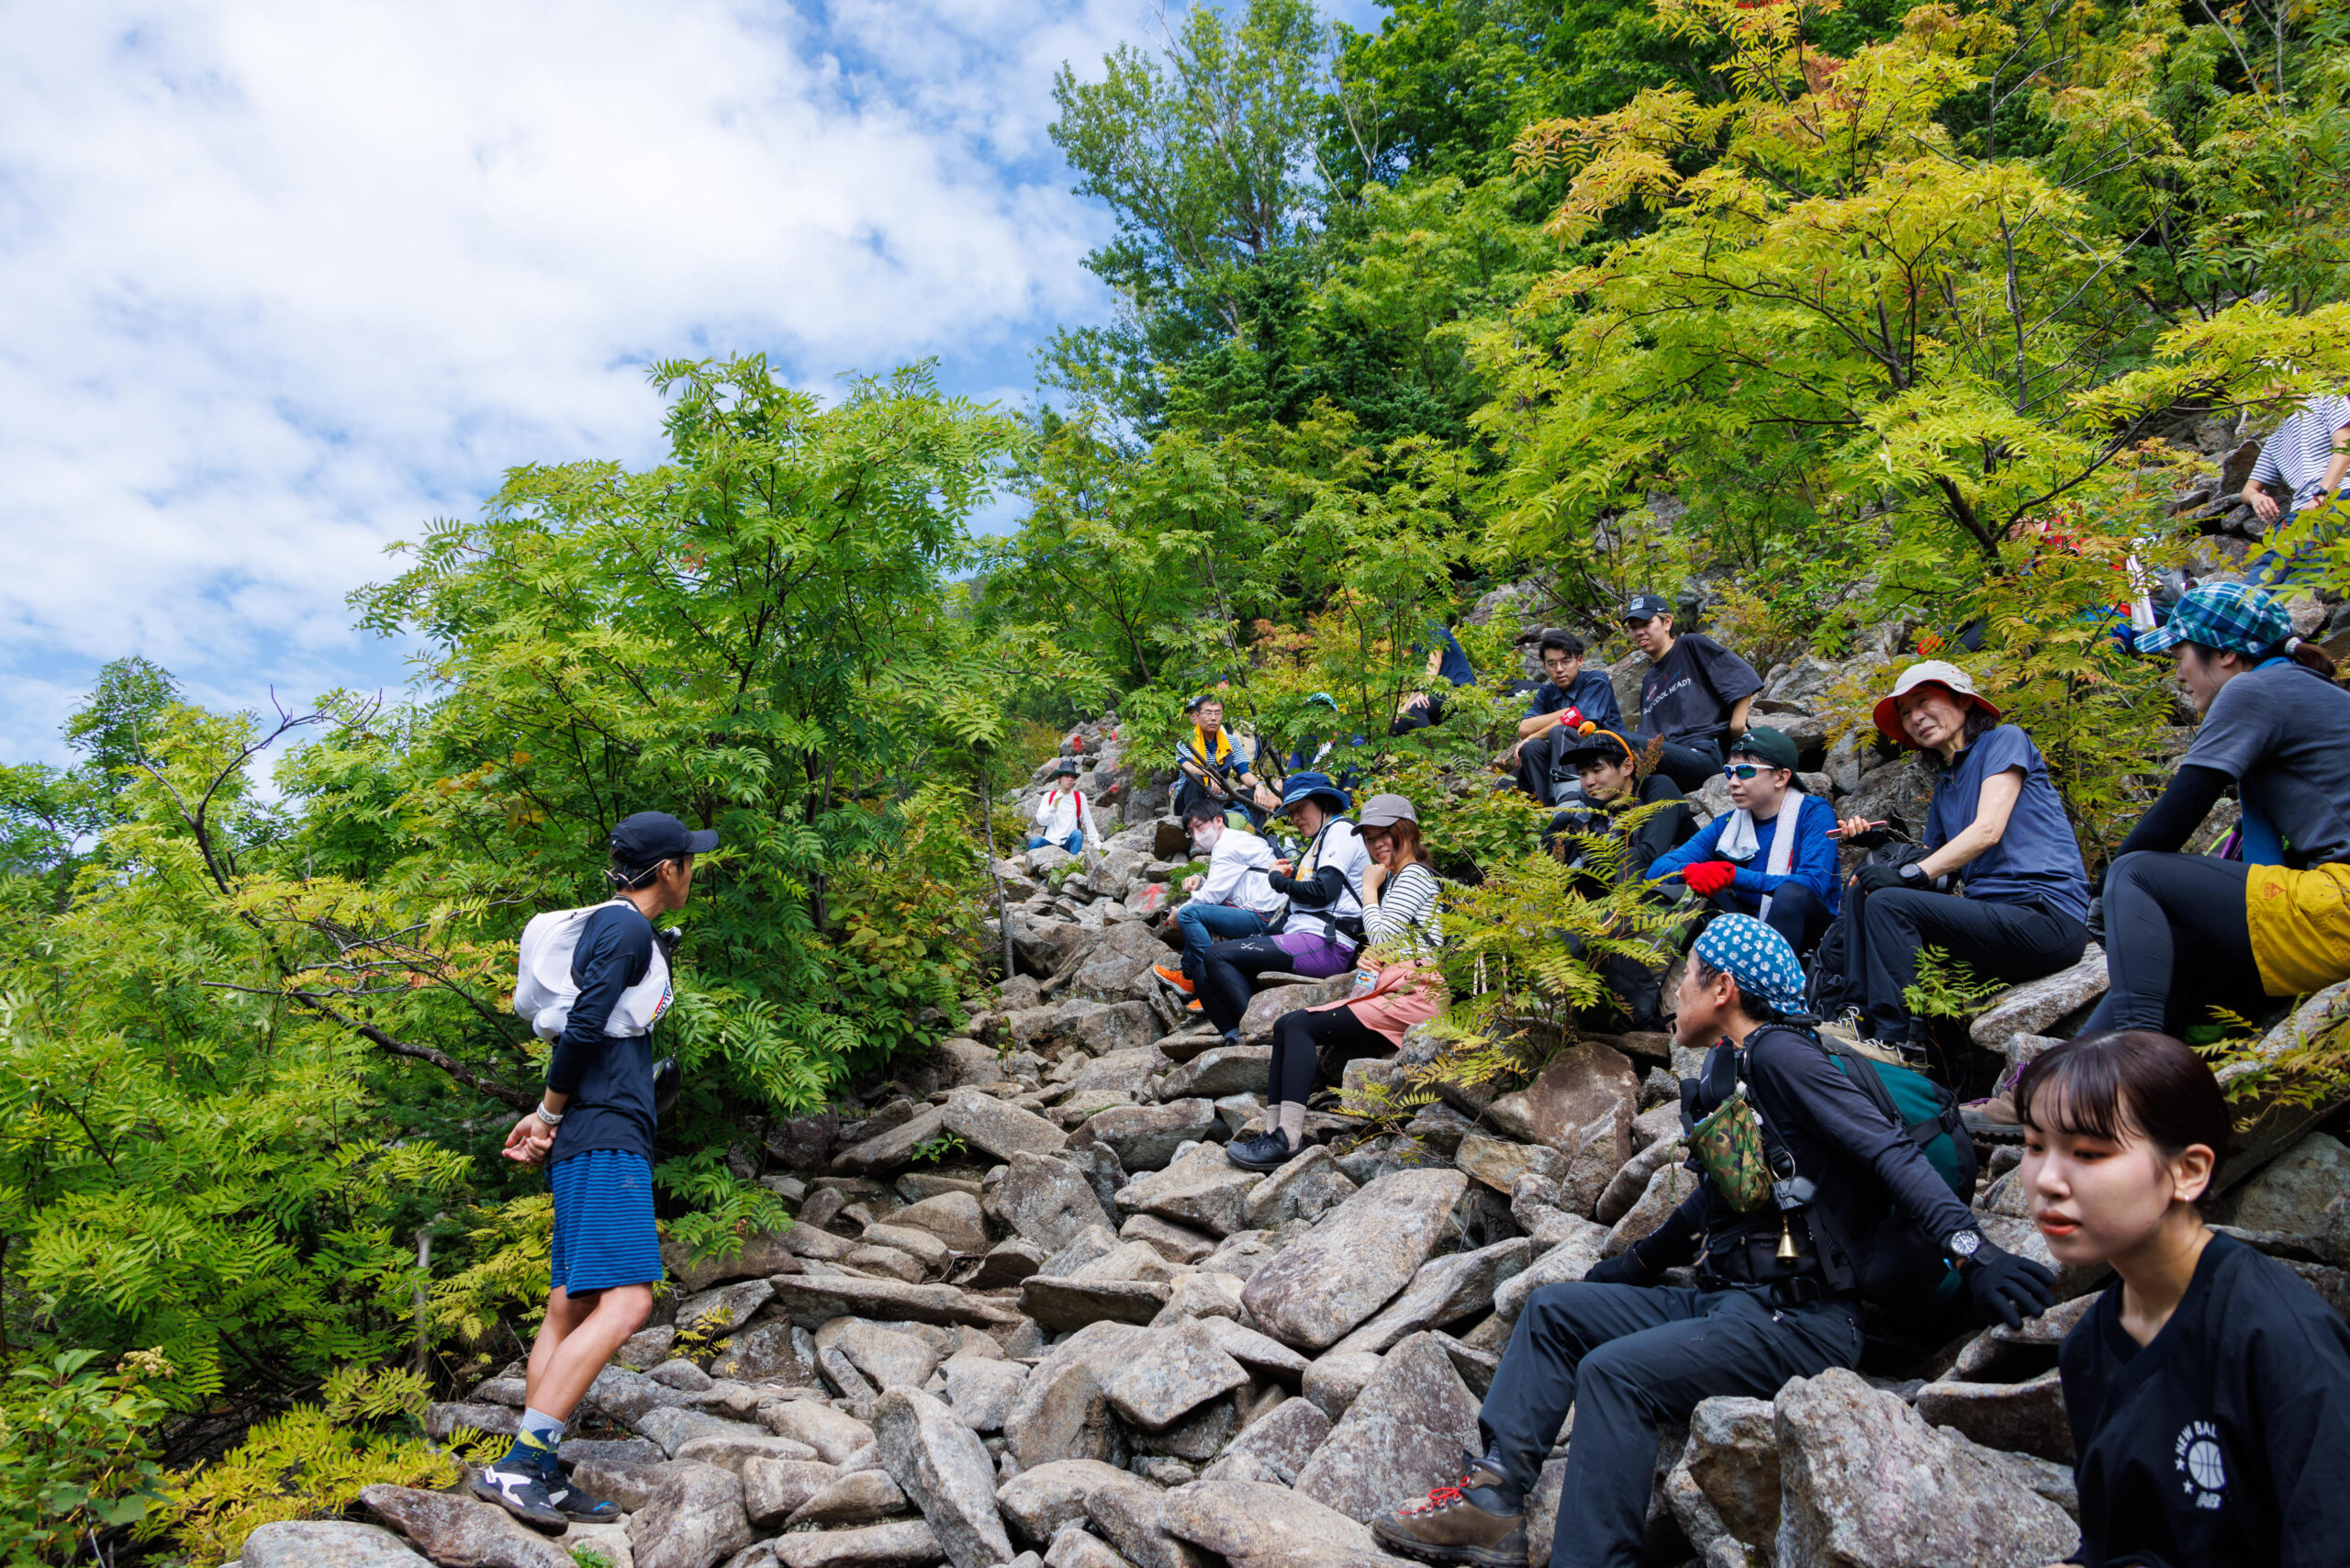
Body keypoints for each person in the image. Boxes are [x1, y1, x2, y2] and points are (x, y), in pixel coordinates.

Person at [1369, 915, 2053, 1568]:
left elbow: (1888, 1153)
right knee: (1555, 1313)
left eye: (1688, 976)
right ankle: (1491, 1502)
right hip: (1734, 1304)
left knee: (1616, 1375)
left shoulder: (1784, 1055)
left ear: (1722, 989)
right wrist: (1634, 1264)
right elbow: (1716, 1198)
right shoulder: (1741, 1069)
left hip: (1801, 1322)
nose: (1676, 995)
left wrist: (1974, 1253)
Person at [2018, 1030, 2350, 1566]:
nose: (2047, 1180)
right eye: (2034, 1146)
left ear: (2188, 1171)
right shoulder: (2089, 1346)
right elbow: (2114, 1542)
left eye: (2088, 1152)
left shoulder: (2278, 1337)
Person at [473, 810, 717, 1527]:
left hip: (597, 1123)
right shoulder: (627, 927)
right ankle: (520, 1464)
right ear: (668, 870)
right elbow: (584, 1027)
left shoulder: (616, 927)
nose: (692, 871)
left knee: (571, 1303)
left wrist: (560, 1110)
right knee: (629, 1301)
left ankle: (539, 1467)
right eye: (688, 861)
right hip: (603, 1133)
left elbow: (600, 1035)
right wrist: (547, 1115)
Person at [2078, 582, 2350, 1038]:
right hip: (2332, 904)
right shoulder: (2306, 691)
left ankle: (2128, 1063)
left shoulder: (2254, 689)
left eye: (2179, 656)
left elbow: (2183, 806)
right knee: (2182, 950)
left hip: (2340, 905)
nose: (2178, 674)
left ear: (2224, 654)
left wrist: (2105, 889)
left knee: (2136, 872)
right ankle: (2058, 1084)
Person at [1829, 660, 2091, 1056]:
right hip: (1995, 923)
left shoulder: (2005, 740)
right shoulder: (1946, 789)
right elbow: (1939, 872)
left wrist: (1909, 873)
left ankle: (1901, 1042)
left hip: (2045, 918)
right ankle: (1858, 1016)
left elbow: (1988, 830)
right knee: (1867, 889)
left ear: (1965, 700)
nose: (1915, 718)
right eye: (1905, 713)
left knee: (1889, 900)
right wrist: (1878, 851)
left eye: (1923, 702)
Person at [1230, 794, 1446, 1171]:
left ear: (1407, 831)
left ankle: (1286, 1140)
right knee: (1287, 1024)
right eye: (1370, 838)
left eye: (1386, 834)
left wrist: (1367, 887)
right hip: (1396, 988)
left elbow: (1380, 936)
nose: (1377, 844)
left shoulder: (1412, 875)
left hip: (1415, 994)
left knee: (1298, 1025)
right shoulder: (1397, 879)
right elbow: (1389, 942)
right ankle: (1273, 1133)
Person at [1195, 772, 1367, 1047]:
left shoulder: (1341, 831)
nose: (1296, 817)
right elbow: (1292, 911)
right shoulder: (1316, 842)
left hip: (1326, 942)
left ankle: (1258, 1036)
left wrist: (1277, 880)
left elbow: (1325, 890)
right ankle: (1234, 1036)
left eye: (1301, 809)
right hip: (1301, 937)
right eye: (1291, 812)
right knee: (1203, 971)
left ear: (1323, 804)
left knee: (1217, 956)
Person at [1645, 727, 1841, 959]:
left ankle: (1770, 984)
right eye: (1730, 772)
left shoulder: (1812, 812)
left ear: (1781, 777)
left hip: (1809, 930)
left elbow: (1813, 884)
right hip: (1748, 925)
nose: (1733, 782)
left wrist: (1731, 876)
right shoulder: (1728, 824)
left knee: (1790, 895)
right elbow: (1657, 870)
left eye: (1745, 772)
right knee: (1692, 891)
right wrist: (1691, 871)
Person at [1549, 728, 1697, 1031]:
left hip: (1685, 901)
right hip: (1629, 909)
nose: (1589, 782)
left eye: (1597, 770)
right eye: (1582, 774)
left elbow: (1649, 855)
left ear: (1627, 767)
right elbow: (1561, 878)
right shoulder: (1592, 816)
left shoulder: (1658, 788)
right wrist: (1556, 834)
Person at [1620, 593, 1762, 791]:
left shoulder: (1690, 645)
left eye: (1646, 624)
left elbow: (1739, 675)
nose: (1639, 632)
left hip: (1702, 754)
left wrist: (1737, 726)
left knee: (1621, 741)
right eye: (1634, 628)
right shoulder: (1649, 680)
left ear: (1667, 622)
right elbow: (1648, 737)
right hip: (1669, 761)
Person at [1153, 801, 1285, 1009]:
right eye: (1191, 831)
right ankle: (1188, 978)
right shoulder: (1236, 840)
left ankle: (1211, 983)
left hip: (1262, 917)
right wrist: (1201, 880)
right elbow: (1226, 888)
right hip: (1263, 911)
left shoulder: (1226, 845)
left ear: (1218, 821)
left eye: (1200, 826)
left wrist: (1179, 913)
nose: (1196, 835)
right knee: (1195, 912)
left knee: (1189, 914)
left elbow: (1212, 896)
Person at [2239, 394, 2350, 588]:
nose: (2257, 390)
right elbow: (2247, 490)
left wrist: (2322, 493)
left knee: (2305, 569)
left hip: (2341, 494)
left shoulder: (2328, 403)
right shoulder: (2275, 441)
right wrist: (2256, 497)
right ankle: (2242, 610)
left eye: (2263, 378)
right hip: (2301, 512)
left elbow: (2344, 448)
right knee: (2264, 574)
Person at [1511, 630, 1626, 804]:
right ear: (1544, 666)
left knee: (1560, 732)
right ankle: (1548, 808)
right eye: (1552, 664)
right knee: (1532, 747)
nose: (1559, 669)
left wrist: (1538, 733)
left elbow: (1579, 720)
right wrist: (1566, 712)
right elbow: (1525, 728)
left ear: (1579, 660)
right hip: (1569, 759)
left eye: (1565, 661)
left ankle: (1569, 801)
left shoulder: (1596, 680)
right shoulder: (1547, 692)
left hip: (1607, 753)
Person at [1255, 691, 1369, 812]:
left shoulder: (1350, 738)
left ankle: (1342, 809)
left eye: (1324, 710)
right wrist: (1275, 792)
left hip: (1338, 796)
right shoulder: (1304, 743)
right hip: (1306, 797)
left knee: (1352, 765)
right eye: (1313, 711)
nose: (1318, 715)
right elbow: (1291, 775)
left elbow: (1359, 761)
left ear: (1335, 715)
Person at [1172, 693, 1265, 828]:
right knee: (1196, 778)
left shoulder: (1231, 741)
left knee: (1256, 796)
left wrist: (1258, 785)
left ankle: (1258, 837)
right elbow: (1187, 768)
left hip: (1218, 799)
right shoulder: (1186, 740)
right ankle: (1196, 834)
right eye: (1208, 713)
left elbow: (1243, 771)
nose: (1213, 718)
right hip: (1189, 801)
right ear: (1198, 715)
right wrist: (1211, 775)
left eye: (1217, 713)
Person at [1393, 621, 1478, 735]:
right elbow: (1422, 680)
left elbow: (1435, 659)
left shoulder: (1435, 628)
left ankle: (1432, 750)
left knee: (1417, 709)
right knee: (1401, 723)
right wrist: (1403, 710)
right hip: (1439, 691)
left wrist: (1424, 691)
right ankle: (1387, 751)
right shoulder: (1417, 645)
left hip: (1459, 688)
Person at [1027, 756, 1100, 855]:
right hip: (1050, 841)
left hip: (1068, 842)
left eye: (1072, 777)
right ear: (1059, 778)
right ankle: (1032, 868)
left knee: (1078, 834)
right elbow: (1041, 821)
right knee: (1036, 840)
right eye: (1066, 776)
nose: (1070, 779)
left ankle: (1073, 864)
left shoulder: (1079, 797)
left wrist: (1095, 841)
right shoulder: (1049, 796)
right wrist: (1053, 808)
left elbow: (1087, 819)